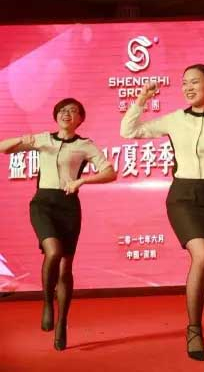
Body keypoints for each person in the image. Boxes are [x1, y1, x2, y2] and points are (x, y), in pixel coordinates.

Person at [120, 64, 204, 372]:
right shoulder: (175, 119)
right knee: (203, 255)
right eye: (184, 83)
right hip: (183, 196)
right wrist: (142, 99)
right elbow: (129, 131)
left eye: (195, 81)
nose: (188, 87)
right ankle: (194, 328)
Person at [0, 98, 116, 350]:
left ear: (80, 119)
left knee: (65, 268)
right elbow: (3, 148)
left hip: (68, 206)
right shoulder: (43, 139)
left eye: (73, 111)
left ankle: (62, 323)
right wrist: (23, 139)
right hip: (43, 204)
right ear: (56, 116)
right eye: (63, 110)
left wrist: (82, 181)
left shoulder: (86, 145)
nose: (67, 114)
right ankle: (46, 303)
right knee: (53, 251)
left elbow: (110, 172)